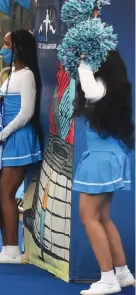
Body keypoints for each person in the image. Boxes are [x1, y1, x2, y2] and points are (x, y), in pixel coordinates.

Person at [72, 50, 135, 294]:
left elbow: (87, 83)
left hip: (102, 160)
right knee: (102, 216)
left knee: (88, 217)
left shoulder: (97, 87)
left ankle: (108, 279)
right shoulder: (112, 88)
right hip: (108, 156)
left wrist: (80, 55)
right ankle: (122, 272)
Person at [0, 29, 43, 264]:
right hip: (11, 138)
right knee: (4, 193)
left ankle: (12, 250)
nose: (3, 49)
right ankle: (9, 246)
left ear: (18, 48)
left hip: (19, 138)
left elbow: (26, 112)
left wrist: (3, 133)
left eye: (7, 44)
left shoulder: (27, 75)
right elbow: (13, 103)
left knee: (5, 193)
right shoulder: (14, 75)